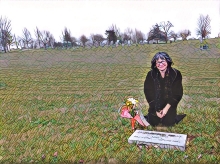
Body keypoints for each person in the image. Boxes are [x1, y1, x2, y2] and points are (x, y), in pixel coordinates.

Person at [144, 52, 186, 126]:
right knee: (153, 123)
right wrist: (155, 110)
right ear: (155, 64)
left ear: (168, 61)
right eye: (158, 62)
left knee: (168, 123)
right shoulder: (150, 74)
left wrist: (166, 109)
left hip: (169, 105)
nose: (160, 64)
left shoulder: (176, 74)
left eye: (163, 61)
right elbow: (148, 93)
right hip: (155, 105)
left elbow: (177, 93)